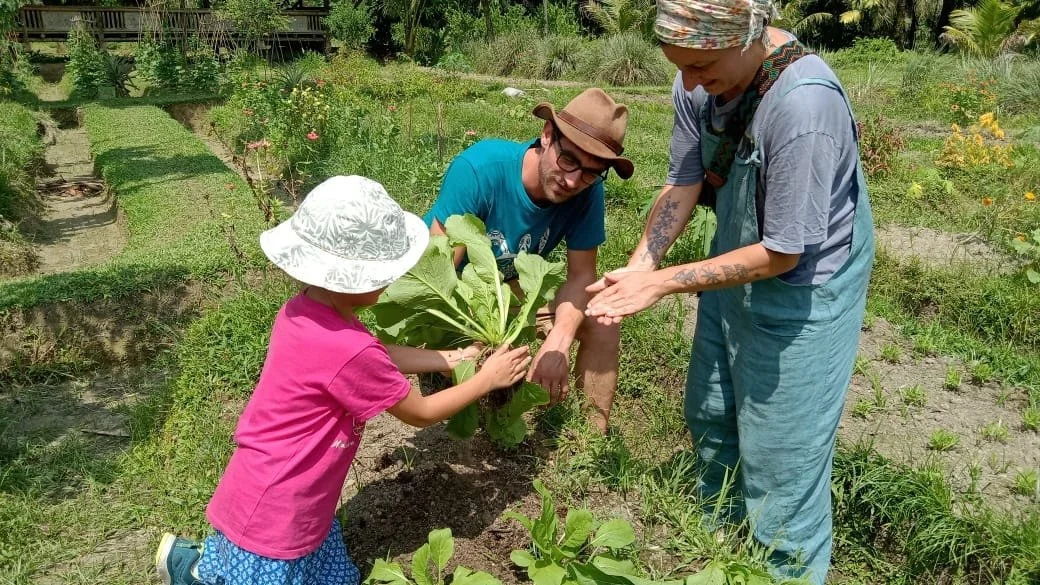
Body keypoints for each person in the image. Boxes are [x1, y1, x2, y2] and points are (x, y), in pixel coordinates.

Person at [584, 1, 875, 583]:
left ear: (750, 37)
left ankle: (783, 567)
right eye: (681, 67)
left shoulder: (804, 106)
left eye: (703, 68)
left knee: (782, 461)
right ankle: (716, 543)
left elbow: (783, 251)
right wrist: (639, 267)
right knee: (711, 410)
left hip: (799, 291)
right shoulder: (698, 77)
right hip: (734, 255)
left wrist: (662, 284)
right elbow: (684, 181)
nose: (691, 83)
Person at [154, 175, 531, 585]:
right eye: (387, 274)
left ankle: (197, 564)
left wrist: (450, 358)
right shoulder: (348, 349)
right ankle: (191, 571)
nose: (391, 281)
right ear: (358, 278)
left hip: (278, 488)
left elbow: (377, 355)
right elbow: (420, 413)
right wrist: (485, 381)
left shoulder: (305, 314)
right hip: (278, 513)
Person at [423, 88, 634, 434]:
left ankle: (590, 437)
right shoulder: (480, 168)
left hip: (513, 291)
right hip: (454, 297)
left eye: (591, 172)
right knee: (465, 403)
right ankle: (441, 366)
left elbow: (582, 276)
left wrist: (558, 342)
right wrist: (480, 340)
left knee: (603, 318)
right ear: (547, 135)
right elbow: (439, 272)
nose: (572, 181)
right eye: (568, 161)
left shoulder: (587, 190)